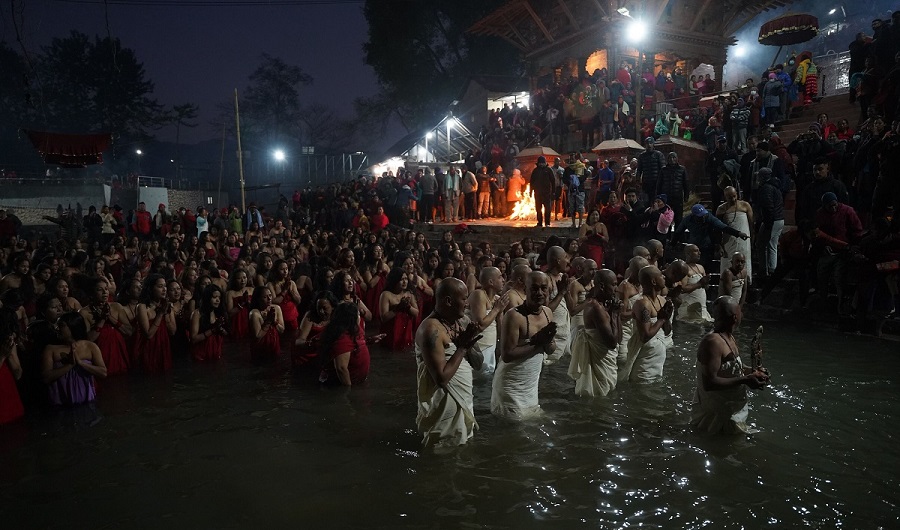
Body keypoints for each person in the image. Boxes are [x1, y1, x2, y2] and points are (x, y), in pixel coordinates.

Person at [415, 277, 484, 448]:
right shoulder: (430, 329)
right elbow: (441, 379)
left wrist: (468, 344)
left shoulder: (463, 322)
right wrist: (461, 349)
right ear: (448, 301)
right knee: (441, 453)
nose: (467, 303)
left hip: (464, 400)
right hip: (442, 407)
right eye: (463, 298)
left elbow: (479, 363)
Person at [691, 296, 769, 434]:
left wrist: (753, 372)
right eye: (741, 311)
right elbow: (709, 383)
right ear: (735, 317)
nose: (742, 314)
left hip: (729, 409)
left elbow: (732, 367)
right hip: (716, 413)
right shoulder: (713, 342)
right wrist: (746, 379)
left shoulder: (728, 336)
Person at [492, 271, 557, 418]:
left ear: (548, 290)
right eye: (534, 288)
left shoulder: (548, 313)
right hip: (511, 385)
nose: (539, 292)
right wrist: (537, 343)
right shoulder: (514, 316)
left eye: (543, 288)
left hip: (530, 386)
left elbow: (551, 349)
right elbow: (507, 355)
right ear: (525, 289)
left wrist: (547, 341)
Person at [568, 269, 621, 397]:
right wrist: (614, 314)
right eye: (613, 285)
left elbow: (618, 339)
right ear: (602, 286)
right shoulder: (595, 307)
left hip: (606, 363)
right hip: (598, 365)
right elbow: (612, 343)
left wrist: (616, 313)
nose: (617, 289)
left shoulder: (606, 305)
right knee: (597, 398)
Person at [41, 312, 107, 406]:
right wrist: (70, 365)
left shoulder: (90, 346)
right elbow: (46, 378)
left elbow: (103, 373)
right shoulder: (50, 349)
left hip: (87, 401)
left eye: (62, 326)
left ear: (73, 326)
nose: (57, 328)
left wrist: (81, 363)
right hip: (60, 403)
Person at [620, 265, 673, 382]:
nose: (664, 276)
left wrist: (667, 317)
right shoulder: (641, 304)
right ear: (654, 281)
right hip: (644, 360)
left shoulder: (663, 300)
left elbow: (667, 332)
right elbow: (645, 336)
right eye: (661, 275)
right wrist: (661, 319)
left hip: (658, 358)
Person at [81, 277, 132, 375]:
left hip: (119, 354)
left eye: (106, 289)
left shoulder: (116, 307)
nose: (105, 292)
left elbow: (129, 332)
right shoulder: (84, 313)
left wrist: (111, 319)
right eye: (100, 289)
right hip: (100, 356)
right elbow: (88, 340)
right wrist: (102, 320)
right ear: (92, 293)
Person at [464, 267, 510, 372]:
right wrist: (497, 309)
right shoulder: (478, 294)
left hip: (490, 347)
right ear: (491, 282)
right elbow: (480, 325)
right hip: (477, 348)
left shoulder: (497, 299)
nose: (503, 280)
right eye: (500, 277)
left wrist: (500, 312)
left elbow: (500, 329)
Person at [318, 302, 371, 386]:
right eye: (358, 315)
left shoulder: (355, 330)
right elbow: (341, 368)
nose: (360, 317)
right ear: (352, 318)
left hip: (358, 383)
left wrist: (369, 341)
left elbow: (354, 345)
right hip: (339, 386)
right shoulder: (342, 338)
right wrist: (348, 391)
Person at [134, 274, 175, 373]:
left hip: (163, 347)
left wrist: (165, 313)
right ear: (151, 288)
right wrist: (160, 314)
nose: (164, 289)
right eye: (160, 287)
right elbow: (148, 335)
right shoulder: (142, 307)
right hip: (149, 349)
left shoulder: (167, 305)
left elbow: (172, 331)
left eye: (165, 286)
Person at [716, 186, 753, 282]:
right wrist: (719, 245)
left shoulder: (745, 205)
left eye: (734, 196)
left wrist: (753, 238)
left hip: (744, 241)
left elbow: (751, 223)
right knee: (728, 262)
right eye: (729, 197)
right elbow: (717, 228)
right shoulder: (721, 209)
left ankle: (746, 281)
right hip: (728, 242)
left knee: (743, 259)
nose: (733, 199)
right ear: (725, 197)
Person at [544, 246, 573, 363]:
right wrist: (561, 293)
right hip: (553, 334)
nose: (569, 261)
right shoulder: (545, 279)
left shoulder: (562, 277)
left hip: (565, 330)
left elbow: (571, 308)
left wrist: (566, 290)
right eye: (566, 257)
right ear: (557, 260)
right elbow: (545, 310)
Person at [379, 267, 419, 351]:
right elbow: (383, 318)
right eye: (401, 279)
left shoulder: (408, 294)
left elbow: (416, 313)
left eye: (406, 279)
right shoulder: (386, 295)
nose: (405, 282)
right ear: (394, 280)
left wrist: (408, 307)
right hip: (390, 333)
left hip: (405, 333)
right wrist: (397, 308)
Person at [676, 244, 714, 324]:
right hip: (689, 309)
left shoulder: (700, 267)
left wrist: (706, 282)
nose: (699, 253)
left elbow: (705, 287)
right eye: (696, 251)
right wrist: (700, 283)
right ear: (688, 254)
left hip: (702, 309)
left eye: (699, 250)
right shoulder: (684, 268)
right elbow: (683, 288)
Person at [0, 309, 24, 424]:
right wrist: (3, 356)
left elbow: (18, 374)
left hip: (9, 391)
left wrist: (9, 355)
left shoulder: (7, 342)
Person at [249, 286, 285, 360]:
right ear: (258, 299)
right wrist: (268, 321)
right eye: (265, 297)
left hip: (274, 347)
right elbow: (258, 337)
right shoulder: (254, 313)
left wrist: (274, 322)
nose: (269, 299)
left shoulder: (276, 308)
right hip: (260, 350)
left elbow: (282, 330)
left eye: (270, 295)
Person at [635, 137, 666, 201]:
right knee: (646, 201)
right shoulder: (642, 156)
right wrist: (637, 180)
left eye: (650, 143)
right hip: (646, 182)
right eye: (647, 143)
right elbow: (639, 170)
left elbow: (663, 169)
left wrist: (662, 181)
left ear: (653, 144)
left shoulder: (658, 155)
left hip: (657, 182)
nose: (649, 145)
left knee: (656, 200)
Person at [531, 156, 556, 228]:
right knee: (538, 209)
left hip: (547, 193)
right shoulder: (535, 171)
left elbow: (553, 181)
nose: (541, 164)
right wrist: (530, 191)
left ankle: (547, 223)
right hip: (538, 193)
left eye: (542, 163)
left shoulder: (549, 170)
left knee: (547, 209)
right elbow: (532, 181)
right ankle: (539, 222)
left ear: (545, 163)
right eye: (540, 163)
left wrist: (553, 191)